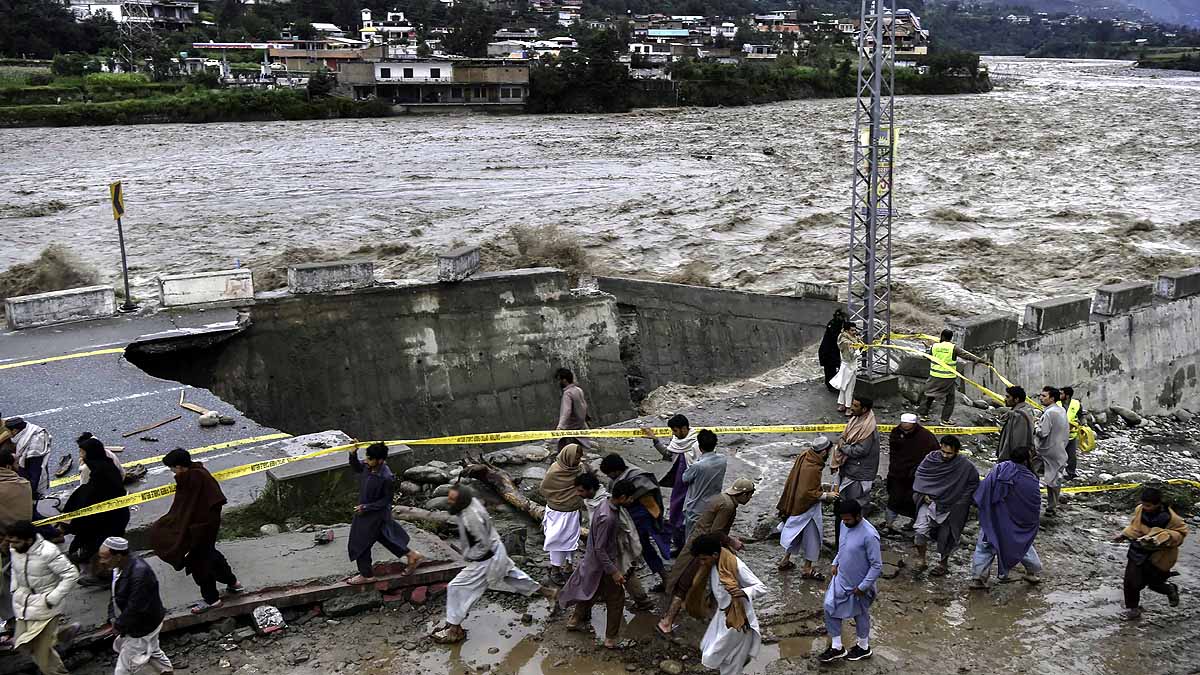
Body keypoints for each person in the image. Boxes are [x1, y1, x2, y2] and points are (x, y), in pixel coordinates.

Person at [434, 485, 556, 644]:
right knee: (515, 577)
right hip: (496, 550)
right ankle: (550, 593)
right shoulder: (471, 504)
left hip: (486, 558)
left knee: (457, 587)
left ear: (461, 501)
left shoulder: (472, 518)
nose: (448, 502)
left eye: (452, 500)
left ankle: (455, 629)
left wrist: (470, 557)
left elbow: (483, 545)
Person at [657, 479, 756, 637]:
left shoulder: (722, 498)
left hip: (700, 542)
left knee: (702, 580)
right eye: (750, 495)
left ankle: (707, 609)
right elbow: (716, 532)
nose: (750, 499)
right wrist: (732, 542)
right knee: (686, 584)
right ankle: (667, 621)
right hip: (704, 548)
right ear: (743, 494)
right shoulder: (729, 507)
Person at [149, 448, 242, 614]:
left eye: (172, 468)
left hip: (200, 528)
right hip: (206, 527)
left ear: (179, 467)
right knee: (211, 555)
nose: (172, 472)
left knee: (199, 563)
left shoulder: (192, 479)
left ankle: (212, 600)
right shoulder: (199, 472)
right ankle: (233, 583)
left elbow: (186, 508)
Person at [559, 478, 637, 649]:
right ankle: (611, 639)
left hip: (594, 563)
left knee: (590, 591)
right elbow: (600, 549)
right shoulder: (608, 517)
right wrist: (614, 571)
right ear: (623, 497)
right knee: (616, 599)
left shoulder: (604, 504)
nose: (632, 501)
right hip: (604, 565)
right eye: (631, 498)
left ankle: (574, 620)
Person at [687, 533, 767, 675]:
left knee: (729, 659)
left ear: (715, 555)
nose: (702, 563)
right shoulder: (715, 564)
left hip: (738, 620)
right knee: (715, 651)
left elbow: (761, 588)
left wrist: (743, 593)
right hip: (723, 616)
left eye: (704, 559)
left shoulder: (735, 565)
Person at [7, 520, 78, 675]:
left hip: (46, 606)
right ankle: (59, 634)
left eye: (16, 542)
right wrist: (15, 588)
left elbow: (71, 574)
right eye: (10, 542)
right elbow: (14, 568)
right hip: (23, 604)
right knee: (22, 643)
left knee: (42, 656)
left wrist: (52, 598)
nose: (12, 546)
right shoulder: (15, 550)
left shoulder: (48, 551)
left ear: (29, 540)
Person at [346, 442, 423, 585]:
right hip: (367, 512)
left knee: (360, 543)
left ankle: (366, 575)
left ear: (380, 460)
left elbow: (386, 501)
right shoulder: (369, 467)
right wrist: (352, 454)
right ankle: (412, 555)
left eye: (369, 459)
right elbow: (357, 467)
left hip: (373, 515)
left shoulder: (386, 477)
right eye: (366, 458)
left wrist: (366, 507)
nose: (366, 461)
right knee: (385, 537)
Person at [60, 435, 130, 587]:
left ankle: (103, 576)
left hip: (107, 519)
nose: (80, 455)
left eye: (82, 452)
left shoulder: (94, 471)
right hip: (112, 515)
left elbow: (88, 495)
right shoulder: (105, 464)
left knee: (98, 547)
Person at [969, 446, 1043, 588]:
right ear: (1027, 460)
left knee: (985, 545)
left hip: (993, 518)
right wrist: (1027, 525)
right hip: (1014, 523)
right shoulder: (1030, 479)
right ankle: (1032, 572)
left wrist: (984, 507)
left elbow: (984, 488)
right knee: (1022, 545)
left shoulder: (999, 469)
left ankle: (978, 578)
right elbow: (1032, 505)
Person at [577, 473, 653, 610]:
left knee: (623, 572)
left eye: (581, 490)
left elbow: (618, 526)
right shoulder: (598, 502)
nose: (578, 493)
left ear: (591, 490)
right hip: (606, 545)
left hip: (614, 544)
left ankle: (641, 601)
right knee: (615, 573)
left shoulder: (604, 505)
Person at [97, 537, 173, 675]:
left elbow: (136, 607)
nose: (101, 562)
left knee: (123, 669)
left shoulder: (139, 574)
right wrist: (112, 618)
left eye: (105, 558)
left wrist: (119, 625)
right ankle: (166, 671)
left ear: (118, 556)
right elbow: (114, 594)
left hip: (142, 626)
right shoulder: (119, 568)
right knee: (153, 649)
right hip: (142, 622)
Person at [819, 500, 881, 663]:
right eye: (843, 519)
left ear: (859, 516)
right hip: (841, 578)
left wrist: (863, 586)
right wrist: (835, 561)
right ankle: (837, 647)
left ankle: (863, 647)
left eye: (848, 520)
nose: (845, 523)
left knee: (860, 615)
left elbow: (876, 565)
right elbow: (843, 546)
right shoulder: (844, 525)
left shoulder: (870, 535)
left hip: (860, 584)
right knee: (829, 607)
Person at [599, 454, 672, 591]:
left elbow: (649, 499)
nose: (610, 478)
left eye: (610, 475)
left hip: (640, 517)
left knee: (641, 547)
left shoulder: (637, 477)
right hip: (629, 517)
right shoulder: (618, 479)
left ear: (616, 471)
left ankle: (664, 577)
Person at [1113, 486, 1187, 620]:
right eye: (1143, 504)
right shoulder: (1140, 510)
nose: (1145, 507)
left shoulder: (1171, 519)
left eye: (1148, 505)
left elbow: (1181, 534)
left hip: (1160, 555)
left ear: (1157, 504)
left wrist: (1166, 536)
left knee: (1154, 583)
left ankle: (1170, 590)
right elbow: (1135, 527)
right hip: (1138, 550)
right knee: (1131, 581)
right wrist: (1124, 535)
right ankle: (1133, 609)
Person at [910, 435, 980, 575]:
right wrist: (924, 494)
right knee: (920, 531)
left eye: (949, 453)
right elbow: (920, 475)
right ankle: (922, 559)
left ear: (957, 452)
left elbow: (973, 483)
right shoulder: (931, 459)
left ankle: (943, 563)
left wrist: (961, 501)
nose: (945, 455)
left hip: (951, 506)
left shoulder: (965, 466)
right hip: (930, 503)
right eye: (943, 451)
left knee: (946, 536)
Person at [776, 437, 835, 578]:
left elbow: (805, 485)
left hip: (794, 503)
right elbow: (808, 492)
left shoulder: (805, 455)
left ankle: (785, 560)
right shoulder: (813, 468)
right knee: (813, 536)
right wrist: (826, 495)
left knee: (795, 532)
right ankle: (807, 568)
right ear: (823, 452)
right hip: (807, 508)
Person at [643, 414, 698, 551]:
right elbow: (668, 454)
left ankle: (689, 548)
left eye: (675, 430)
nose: (673, 433)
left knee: (689, 517)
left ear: (684, 428)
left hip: (692, 487)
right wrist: (655, 440)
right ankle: (680, 546)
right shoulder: (677, 442)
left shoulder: (697, 443)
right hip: (679, 487)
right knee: (675, 514)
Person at [540, 443, 588, 584]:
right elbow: (545, 490)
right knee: (557, 541)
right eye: (576, 458)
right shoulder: (554, 472)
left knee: (572, 541)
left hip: (573, 512)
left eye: (579, 458)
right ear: (568, 457)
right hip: (557, 513)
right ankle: (555, 569)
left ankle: (568, 567)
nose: (578, 461)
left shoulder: (579, 469)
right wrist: (560, 499)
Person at [918, 329, 989, 425]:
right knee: (950, 399)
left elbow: (927, 357)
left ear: (942, 336)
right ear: (950, 338)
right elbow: (966, 355)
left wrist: (927, 348)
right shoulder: (953, 348)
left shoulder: (934, 346)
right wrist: (980, 360)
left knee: (929, 395)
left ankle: (923, 416)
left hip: (934, 376)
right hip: (948, 378)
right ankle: (945, 420)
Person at [884, 413, 939, 535]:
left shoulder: (926, 437)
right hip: (898, 474)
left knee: (914, 502)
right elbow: (894, 452)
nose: (904, 426)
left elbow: (933, 455)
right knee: (893, 499)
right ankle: (888, 524)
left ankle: (914, 523)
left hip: (915, 477)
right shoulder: (896, 433)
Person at [0, 449, 32, 645]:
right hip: (21, 542)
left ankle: (13, 622)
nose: (18, 466)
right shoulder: (23, 484)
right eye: (16, 463)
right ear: (7, 466)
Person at [832, 397, 880, 515]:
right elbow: (845, 436)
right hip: (850, 469)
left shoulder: (867, 428)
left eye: (855, 406)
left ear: (864, 409)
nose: (852, 408)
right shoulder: (856, 420)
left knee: (856, 504)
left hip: (858, 473)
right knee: (846, 501)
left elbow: (860, 450)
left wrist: (842, 447)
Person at [681, 430, 727, 543]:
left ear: (700, 447)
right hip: (714, 504)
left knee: (692, 541)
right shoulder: (722, 460)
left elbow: (685, 478)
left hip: (696, 508)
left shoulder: (697, 465)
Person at [1034, 386, 1069, 517]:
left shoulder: (1049, 413)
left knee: (1029, 473)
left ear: (1052, 398)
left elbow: (1043, 433)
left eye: (1044, 396)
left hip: (1045, 450)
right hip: (1059, 449)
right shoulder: (1061, 410)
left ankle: (1030, 502)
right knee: (1054, 480)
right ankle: (1051, 507)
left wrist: (1036, 426)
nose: (1041, 398)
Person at [5, 418, 50, 502]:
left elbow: (35, 473)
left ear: (14, 431)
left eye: (7, 431)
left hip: (30, 478)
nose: (6, 433)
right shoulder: (25, 431)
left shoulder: (34, 446)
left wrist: (30, 492)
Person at [996, 386, 1034, 462]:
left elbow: (1016, 441)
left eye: (1008, 397)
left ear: (1016, 399)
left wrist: (1004, 459)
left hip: (1015, 460)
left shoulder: (1019, 416)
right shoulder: (1019, 412)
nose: (1005, 399)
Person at [555, 367, 590, 449]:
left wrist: (560, 427)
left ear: (564, 380)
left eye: (558, 380)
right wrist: (586, 417)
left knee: (565, 452)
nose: (558, 383)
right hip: (580, 426)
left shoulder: (568, 393)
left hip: (570, 430)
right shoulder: (578, 390)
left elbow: (566, 411)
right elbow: (584, 405)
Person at [830, 323, 860, 415]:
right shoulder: (847, 343)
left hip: (844, 366)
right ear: (847, 331)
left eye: (855, 330)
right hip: (850, 366)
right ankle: (848, 408)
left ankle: (841, 404)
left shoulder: (842, 338)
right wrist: (858, 351)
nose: (854, 332)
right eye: (852, 330)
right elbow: (850, 357)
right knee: (849, 388)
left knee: (843, 386)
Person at [819, 309, 847, 393]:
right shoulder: (833, 325)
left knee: (834, 368)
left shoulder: (834, 323)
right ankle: (831, 386)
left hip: (831, 351)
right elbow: (836, 337)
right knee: (830, 370)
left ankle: (833, 384)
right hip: (828, 352)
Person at [1058, 387, 1082, 481]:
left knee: (1071, 456)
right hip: (1058, 435)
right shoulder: (1056, 403)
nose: (1059, 395)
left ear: (1067, 396)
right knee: (1057, 455)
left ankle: (1071, 473)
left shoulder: (1076, 404)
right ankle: (1056, 473)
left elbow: (1080, 415)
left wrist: (1083, 424)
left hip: (1071, 435)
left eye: (1061, 393)